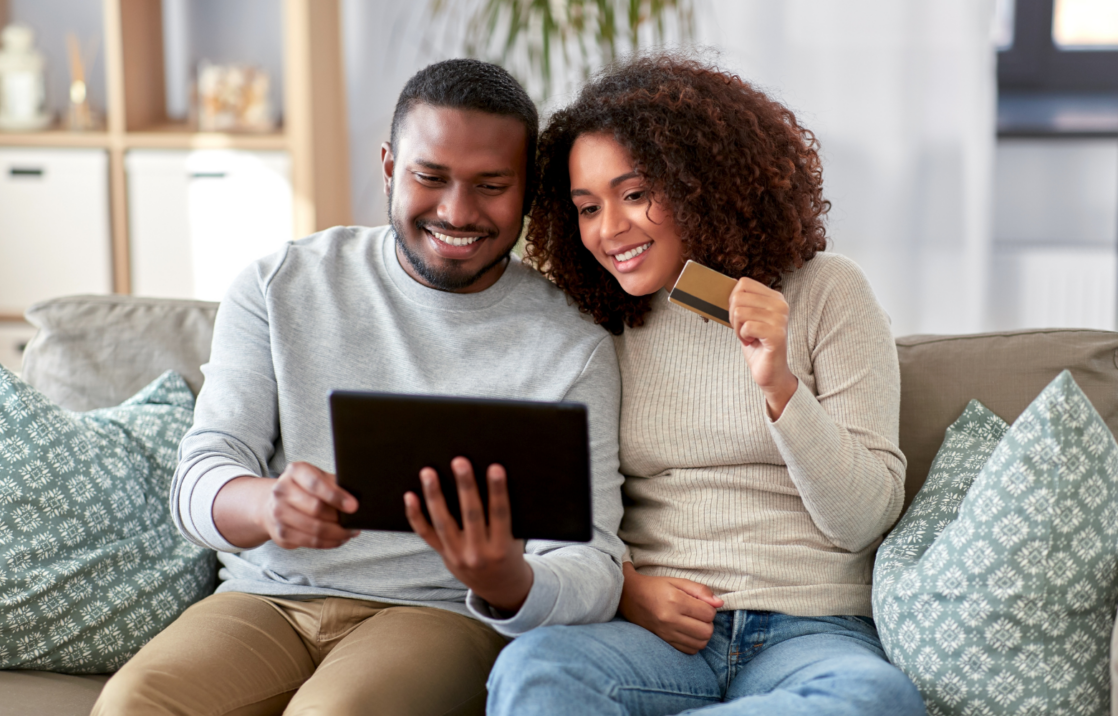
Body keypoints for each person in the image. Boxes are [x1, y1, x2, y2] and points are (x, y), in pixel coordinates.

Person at [92, 59, 626, 716]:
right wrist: (266, 505)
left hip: (441, 614)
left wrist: (507, 579)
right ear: (389, 168)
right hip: (267, 600)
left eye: (491, 186)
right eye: (430, 177)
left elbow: (593, 564)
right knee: (132, 703)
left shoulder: (570, 344)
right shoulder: (278, 285)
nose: (457, 212)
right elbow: (201, 473)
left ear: (528, 190)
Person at [487, 54, 926, 715]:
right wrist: (627, 588)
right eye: (587, 207)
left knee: (876, 698)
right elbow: (563, 512)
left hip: (810, 631)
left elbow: (864, 520)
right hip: (657, 637)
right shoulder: (598, 323)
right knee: (533, 672)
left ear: (702, 184)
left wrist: (778, 384)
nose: (609, 229)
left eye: (636, 194)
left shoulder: (829, 292)